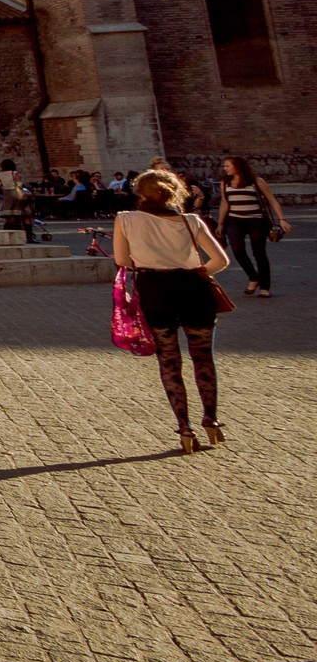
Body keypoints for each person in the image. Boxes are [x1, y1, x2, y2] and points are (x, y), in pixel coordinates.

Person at [115, 170, 232, 454]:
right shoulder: (191, 221)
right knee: (203, 357)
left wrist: (150, 258)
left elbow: (121, 260)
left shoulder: (126, 219)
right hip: (194, 288)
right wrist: (197, 273)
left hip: (155, 290)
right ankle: (211, 420)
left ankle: (184, 427)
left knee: (168, 359)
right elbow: (221, 260)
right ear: (174, 192)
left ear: (140, 194)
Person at [216, 156, 289, 298]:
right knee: (237, 250)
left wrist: (282, 219)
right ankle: (253, 277)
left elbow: (271, 200)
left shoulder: (257, 182)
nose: (225, 169)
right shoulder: (225, 182)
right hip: (234, 221)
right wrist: (220, 223)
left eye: (228, 166)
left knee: (259, 253)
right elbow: (225, 202)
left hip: (256, 221)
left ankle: (265, 287)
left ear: (238, 166)